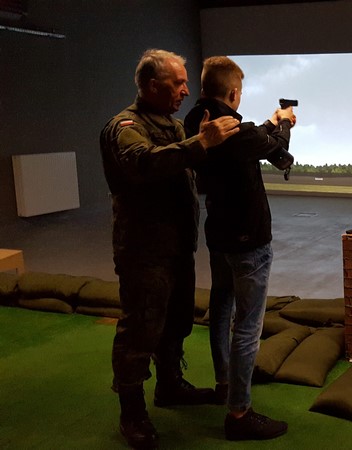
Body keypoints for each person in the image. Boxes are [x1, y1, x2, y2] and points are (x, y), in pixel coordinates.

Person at [100, 48, 241, 449]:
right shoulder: (125, 126)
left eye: (185, 83)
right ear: (151, 85)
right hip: (144, 251)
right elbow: (143, 163)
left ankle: (170, 385)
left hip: (177, 245)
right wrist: (201, 142)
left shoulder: (174, 126)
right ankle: (132, 412)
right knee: (140, 329)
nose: (185, 90)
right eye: (177, 83)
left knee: (177, 319)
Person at [184, 56, 294, 441]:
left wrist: (271, 122)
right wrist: (285, 126)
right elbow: (277, 151)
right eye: (240, 92)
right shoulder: (236, 130)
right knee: (247, 325)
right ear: (233, 93)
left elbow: (252, 139)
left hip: (219, 236)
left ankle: (224, 384)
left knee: (221, 308)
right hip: (249, 239)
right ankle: (239, 412)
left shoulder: (196, 122)